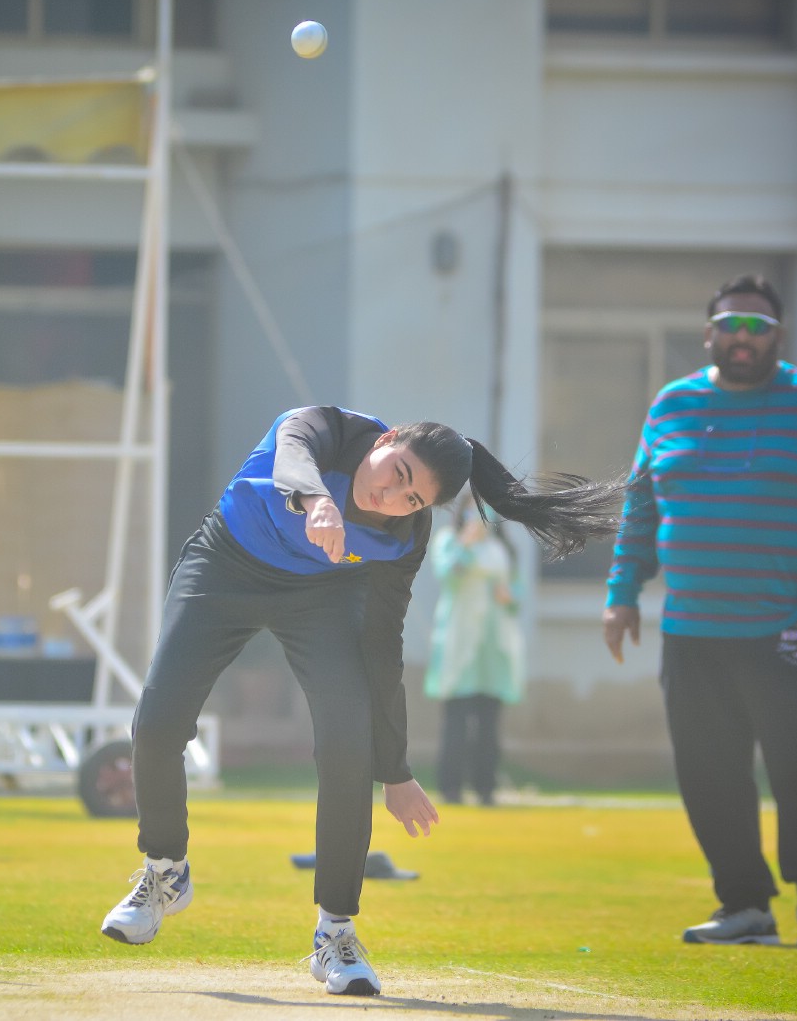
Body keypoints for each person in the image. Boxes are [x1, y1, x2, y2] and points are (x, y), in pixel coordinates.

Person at [98, 405, 624, 996]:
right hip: (225, 565)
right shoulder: (323, 426)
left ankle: (335, 933)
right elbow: (292, 456)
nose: (391, 497)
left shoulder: (404, 537)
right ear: (387, 439)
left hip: (320, 595)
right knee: (157, 723)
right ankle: (164, 872)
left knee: (349, 745)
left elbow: (381, 647)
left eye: (413, 499)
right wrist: (317, 501)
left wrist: (394, 769)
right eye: (398, 473)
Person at [601, 275, 797, 949]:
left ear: (779, 335)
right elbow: (641, 508)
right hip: (692, 629)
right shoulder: (672, 405)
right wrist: (621, 594)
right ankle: (743, 905)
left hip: (789, 626)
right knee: (708, 774)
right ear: (709, 332)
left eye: (757, 327)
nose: (743, 338)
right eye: (730, 325)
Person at [424, 496, 522, 806]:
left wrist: (509, 597)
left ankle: (486, 787)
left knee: (488, 722)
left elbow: (516, 595)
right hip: (459, 643)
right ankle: (450, 787)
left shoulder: (501, 550)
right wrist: (466, 543)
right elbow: (447, 575)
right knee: (456, 719)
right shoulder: (449, 542)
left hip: (493, 646)